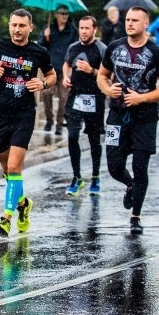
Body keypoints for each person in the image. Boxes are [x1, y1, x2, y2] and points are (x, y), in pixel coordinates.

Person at [97, 7, 159, 234]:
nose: (130, 24)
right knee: (114, 166)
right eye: (128, 20)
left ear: (145, 24)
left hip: (145, 117)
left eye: (135, 20)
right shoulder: (115, 47)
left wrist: (142, 98)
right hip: (116, 114)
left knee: (140, 166)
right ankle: (129, 184)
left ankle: (135, 216)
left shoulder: (156, 52)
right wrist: (107, 89)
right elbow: (102, 76)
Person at [0, 9, 55, 236]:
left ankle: (5, 219)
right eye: (13, 25)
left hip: (24, 115)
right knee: (6, 171)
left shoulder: (38, 52)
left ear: (30, 27)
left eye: (21, 26)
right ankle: (23, 204)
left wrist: (43, 84)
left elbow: (52, 75)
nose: (17, 30)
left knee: (14, 167)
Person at [62, 16, 106, 196]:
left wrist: (92, 71)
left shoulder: (101, 49)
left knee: (94, 139)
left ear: (95, 30)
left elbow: (107, 74)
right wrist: (65, 76)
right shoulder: (73, 47)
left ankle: (95, 176)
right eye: (81, 28)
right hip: (75, 97)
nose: (84, 31)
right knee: (72, 136)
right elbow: (66, 64)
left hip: (95, 98)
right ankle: (77, 177)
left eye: (87, 28)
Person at [38, 5, 78, 134]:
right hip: (51, 70)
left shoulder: (72, 31)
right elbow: (40, 47)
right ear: (56, 15)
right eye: (61, 13)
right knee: (46, 93)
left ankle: (59, 123)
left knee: (64, 98)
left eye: (66, 13)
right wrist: (45, 37)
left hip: (65, 69)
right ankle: (49, 120)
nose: (64, 16)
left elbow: (76, 48)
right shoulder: (48, 28)